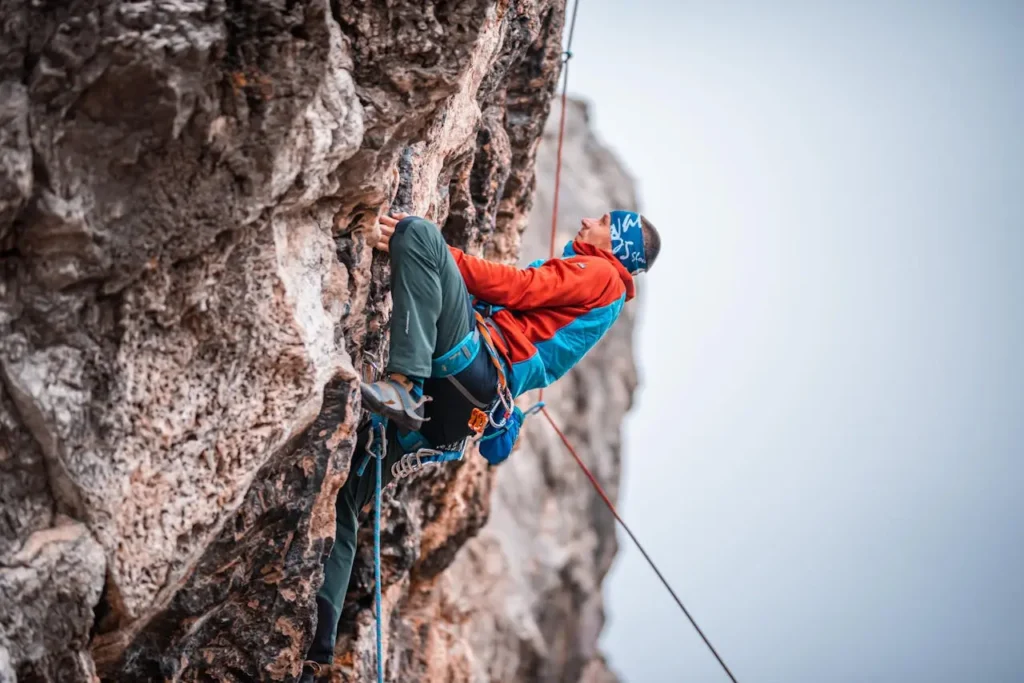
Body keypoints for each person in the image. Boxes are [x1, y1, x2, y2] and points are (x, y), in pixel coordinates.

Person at [300, 208, 661, 680]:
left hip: (470, 367)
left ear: (618, 244)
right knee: (346, 496)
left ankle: (406, 384)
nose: (590, 219)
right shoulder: (601, 304)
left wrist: (437, 257)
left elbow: (518, 288)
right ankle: (314, 655)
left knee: (418, 234)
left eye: (606, 222)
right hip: (463, 413)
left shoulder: (600, 274)